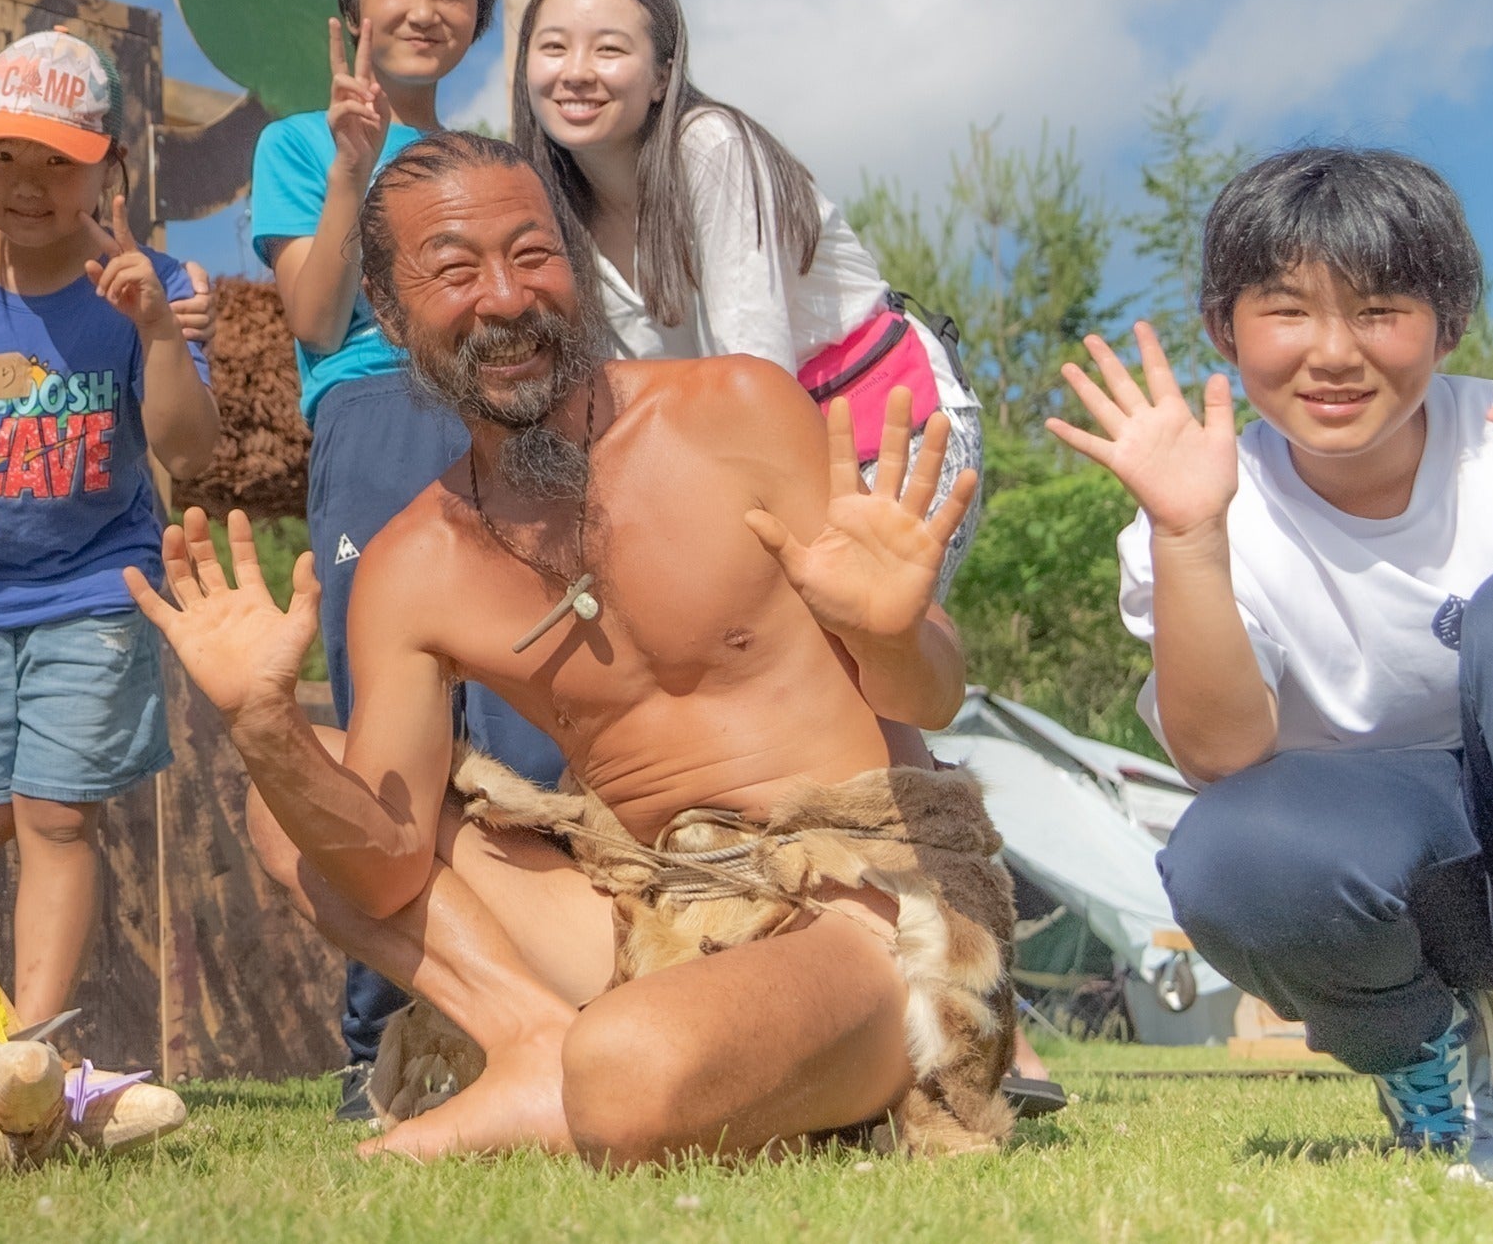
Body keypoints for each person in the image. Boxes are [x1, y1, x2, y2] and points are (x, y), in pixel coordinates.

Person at [132, 132, 1006, 1164]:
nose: (507, 297)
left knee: (628, 1069)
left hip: (864, 907)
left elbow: (930, 694)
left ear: (576, 265)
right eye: (455, 269)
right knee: (289, 799)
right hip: (649, 909)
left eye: (533, 253)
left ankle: (619, 1066)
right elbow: (382, 871)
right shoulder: (415, 563)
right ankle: (532, 1043)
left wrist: (893, 629)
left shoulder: (735, 410)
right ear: (389, 306)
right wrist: (263, 725)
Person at [1046, 147, 1493, 1180]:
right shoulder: (1204, 500)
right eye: (1288, 309)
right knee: (1229, 847)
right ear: (1223, 328)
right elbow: (1222, 756)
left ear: (1447, 323)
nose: (1335, 351)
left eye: (1380, 308)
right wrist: (1190, 536)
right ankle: (1430, 1047)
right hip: (1414, 888)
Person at [248, 0, 563, 1111]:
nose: (426, 9)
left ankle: (540, 1009)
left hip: (502, 417)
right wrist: (350, 165)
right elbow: (315, 313)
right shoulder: (297, 143)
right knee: (392, 727)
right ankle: (375, 1040)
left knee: (527, 710)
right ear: (353, 8)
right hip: (376, 416)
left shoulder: (496, 164)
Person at [0, 29, 220, 1025]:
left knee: (53, 815)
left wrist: (156, 328)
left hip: (97, 584)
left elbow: (189, 448)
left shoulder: (156, 283)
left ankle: (28, 1042)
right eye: (4, 158)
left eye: (59, 162)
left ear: (110, 169)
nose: (28, 185)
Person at [513, 0, 983, 604]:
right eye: (553, 47)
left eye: (610, 49)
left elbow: (755, 374)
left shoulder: (710, 145)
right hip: (743, 450)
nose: (576, 71)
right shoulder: (546, 207)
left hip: (885, 430)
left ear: (662, 76)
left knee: (866, 644)